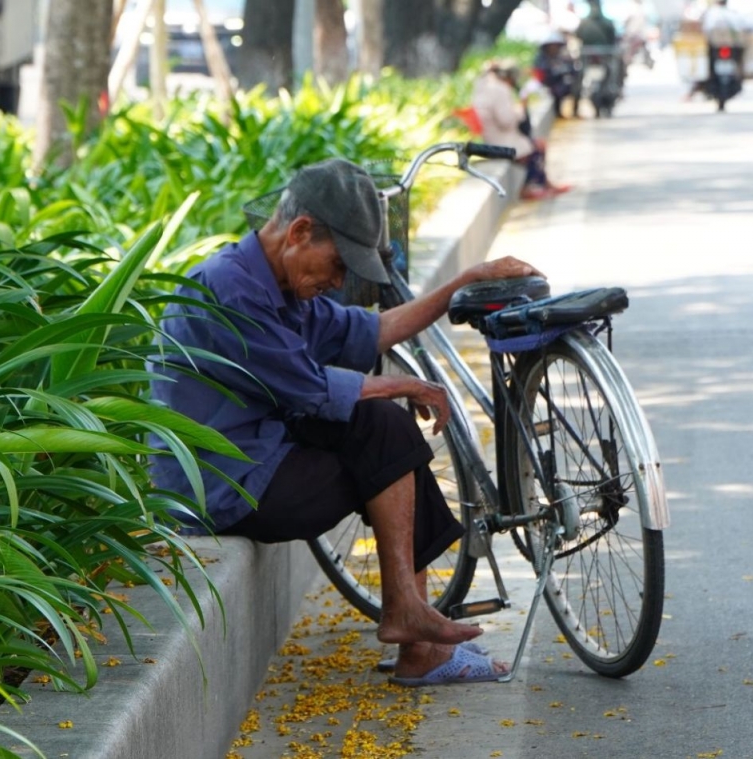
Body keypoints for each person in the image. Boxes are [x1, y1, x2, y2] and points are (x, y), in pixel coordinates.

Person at [149, 159, 545, 685]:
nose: (337, 281)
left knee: (386, 429)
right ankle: (412, 628)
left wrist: (463, 283)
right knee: (389, 443)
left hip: (269, 453)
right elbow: (309, 386)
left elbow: (372, 331)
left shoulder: (286, 283)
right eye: (337, 265)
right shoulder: (228, 289)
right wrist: (406, 384)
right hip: (227, 488)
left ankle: (411, 624)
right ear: (300, 231)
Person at [471, 60, 571, 201]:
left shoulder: (483, 86)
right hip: (501, 142)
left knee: (535, 145)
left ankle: (544, 184)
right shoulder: (499, 89)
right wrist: (521, 108)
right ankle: (530, 188)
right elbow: (506, 120)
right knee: (537, 148)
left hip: (493, 138)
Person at [531, 30, 579, 118]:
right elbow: (541, 73)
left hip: (559, 82)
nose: (554, 48)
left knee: (575, 88)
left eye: (556, 46)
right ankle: (557, 113)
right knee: (556, 91)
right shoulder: (542, 59)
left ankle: (575, 111)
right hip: (547, 83)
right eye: (552, 46)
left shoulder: (562, 56)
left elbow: (571, 69)